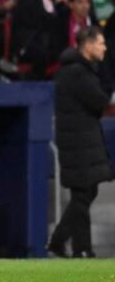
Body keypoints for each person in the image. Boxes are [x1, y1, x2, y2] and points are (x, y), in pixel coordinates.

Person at [49, 27, 113, 258]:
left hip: (79, 141)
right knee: (83, 195)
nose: (104, 47)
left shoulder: (75, 71)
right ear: (87, 46)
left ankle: (74, 246)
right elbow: (99, 101)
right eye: (101, 43)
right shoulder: (78, 73)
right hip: (79, 144)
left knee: (85, 194)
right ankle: (71, 244)